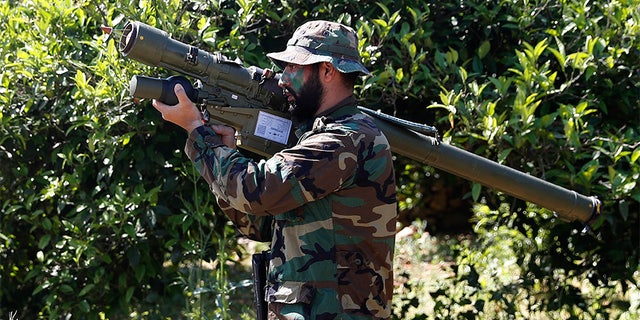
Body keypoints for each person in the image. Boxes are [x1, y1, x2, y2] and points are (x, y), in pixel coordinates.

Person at [153, 20, 397, 320]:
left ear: (328, 71)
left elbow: (256, 192)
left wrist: (196, 131)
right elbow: (260, 224)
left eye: (294, 67)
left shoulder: (343, 139)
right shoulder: (320, 135)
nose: (283, 78)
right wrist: (225, 153)